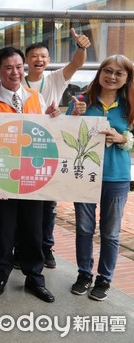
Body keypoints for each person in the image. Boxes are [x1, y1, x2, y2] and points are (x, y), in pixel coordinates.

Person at [0, 47, 60, 303]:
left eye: (19, 67)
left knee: (33, 231)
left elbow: (49, 136)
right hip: (3, 179)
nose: (15, 73)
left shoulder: (37, 98)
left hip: (33, 180)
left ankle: (34, 278)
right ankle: (0, 275)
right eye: (8, 68)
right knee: (3, 231)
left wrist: (55, 118)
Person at [17, 28, 92, 269]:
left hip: (49, 147)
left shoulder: (55, 79)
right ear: (26, 60)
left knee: (49, 203)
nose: (39, 60)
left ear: (48, 60)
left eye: (43, 56)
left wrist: (81, 48)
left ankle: (45, 247)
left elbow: (77, 63)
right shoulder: (18, 82)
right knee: (23, 201)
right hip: (22, 147)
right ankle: (22, 247)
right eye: (34, 56)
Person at [66, 54, 134, 301]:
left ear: (127, 79)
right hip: (84, 175)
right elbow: (65, 136)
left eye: (119, 73)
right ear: (99, 72)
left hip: (116, 178)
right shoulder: (83, 100)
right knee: (84, 229)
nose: (112, 76)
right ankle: (84, 274)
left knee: (111, 232)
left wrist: (123, 139)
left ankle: (105, 278)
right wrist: (73, 115)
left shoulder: (130, 106)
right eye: (107, 70)